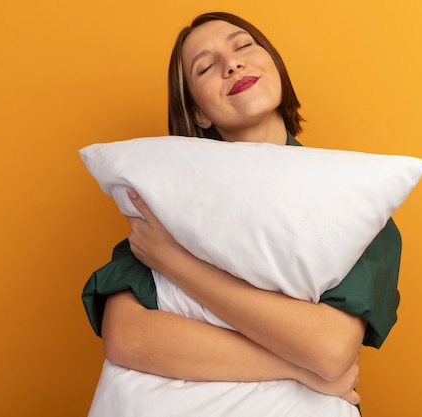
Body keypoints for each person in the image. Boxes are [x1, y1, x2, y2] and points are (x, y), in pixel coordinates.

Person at [82, 11, 401, 416]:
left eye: (243, 45)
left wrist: (173, 262)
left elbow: (329, 349)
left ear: (275, 67)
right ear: (199, 112)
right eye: (205, 67)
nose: (232, 64)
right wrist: (296, 368)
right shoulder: (167, 195)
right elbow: (128, 336)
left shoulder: (352, 197)